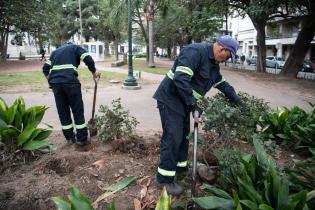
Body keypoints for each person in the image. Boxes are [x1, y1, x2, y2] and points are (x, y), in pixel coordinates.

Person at [153, 35, 243, 195]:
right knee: (173, 137)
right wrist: (193, 103)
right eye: (228, 56)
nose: (226, 60)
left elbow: (221, 83)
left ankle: (180, 169)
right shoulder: (195, 52)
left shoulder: (214, 65)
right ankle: (164, 180)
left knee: (183, 137)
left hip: (183, 102)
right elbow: (180, 78)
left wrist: (236, 99)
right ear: (222, 49)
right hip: (171, 98)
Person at [42, 42, 101, 146]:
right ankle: (81, 139)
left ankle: (69, 138)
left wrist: (51, 83)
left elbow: (45, 68)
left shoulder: (55, 52)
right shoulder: (75, 48)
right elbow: (88, 59)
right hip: (71, 82)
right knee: (77, 110)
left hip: (56, 84)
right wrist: (94, 72)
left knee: (63, 111)